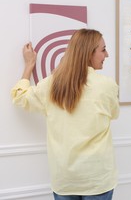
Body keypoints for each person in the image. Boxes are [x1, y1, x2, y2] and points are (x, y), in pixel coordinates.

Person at [11, 29, 120, 200]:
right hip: (97, 178)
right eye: (103, 49)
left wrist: (29, 66)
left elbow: (20, 97)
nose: (107, 54)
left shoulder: (51, 85)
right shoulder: (107, 86)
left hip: (64, 179)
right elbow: (114, 114)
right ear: (89, 53)